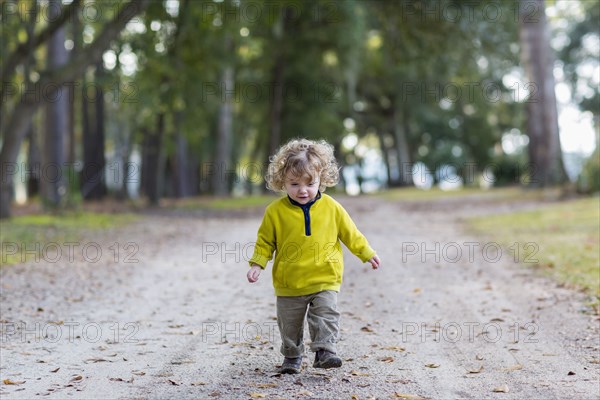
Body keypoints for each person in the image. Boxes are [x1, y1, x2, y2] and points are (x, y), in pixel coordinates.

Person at [247, 138, 381, 374]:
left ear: (322, 179)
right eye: (294, 183)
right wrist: (257, 264)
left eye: (310, 183)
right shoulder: (275, 212)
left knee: (326, 314)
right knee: (289, 324)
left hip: (325, 277)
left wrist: (366, 253)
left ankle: (325, 351)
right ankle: (292, 356)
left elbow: (351, 234)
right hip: (290, 281)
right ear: (282, 181)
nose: (302, 190)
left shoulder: (332, 207)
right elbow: (265, 241)